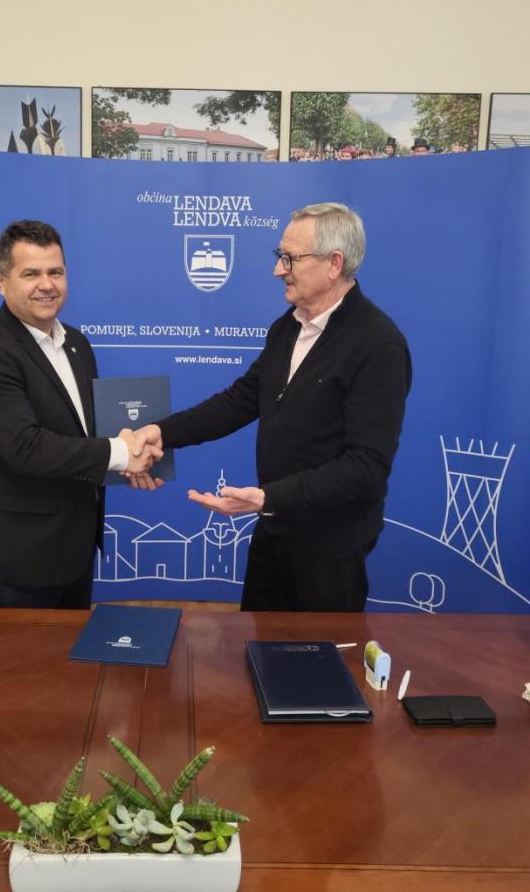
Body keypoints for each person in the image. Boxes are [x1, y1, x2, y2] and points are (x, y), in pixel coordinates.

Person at [130, 203, 411, 613]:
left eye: (290, 259)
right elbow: (240, 400)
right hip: (274, 528)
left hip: (331, 548)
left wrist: (267, 497)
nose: (278, 270)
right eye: (280, 257)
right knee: (258, 644)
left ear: (334, 263)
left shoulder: (377, 344)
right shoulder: (287, 327)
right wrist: (162, 432)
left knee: (321, 653)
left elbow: (366, 467)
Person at [0, 219, 160, 609]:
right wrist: (122, 453)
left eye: (56, 272)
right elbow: (25, 448)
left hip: (75, 549)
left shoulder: (77, 344)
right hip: (18, 560)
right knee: (20, 654)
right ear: (1, 281)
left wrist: (134, 461)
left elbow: (84, 435)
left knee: (74, 652)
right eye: (31, 274)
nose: (47, 285)